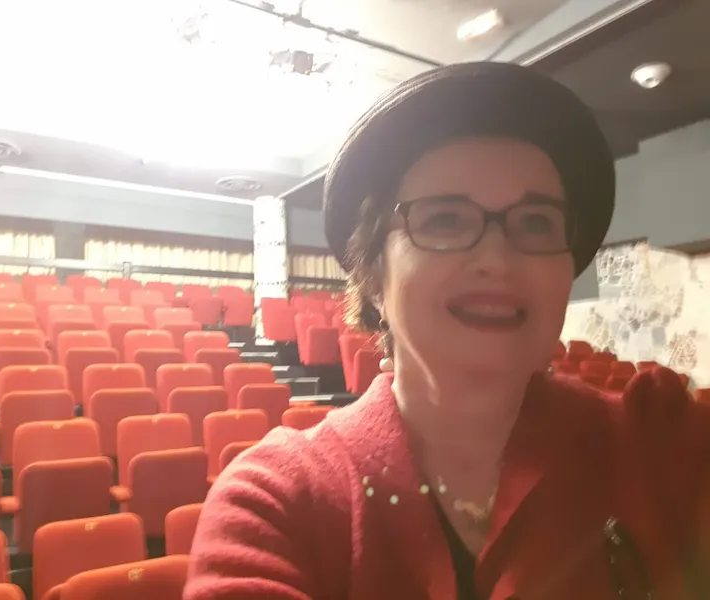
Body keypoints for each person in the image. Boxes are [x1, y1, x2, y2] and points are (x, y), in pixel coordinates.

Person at [185, 62, 710, 599]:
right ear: (372, 278)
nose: (497, 259)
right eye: (443, 219)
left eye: (535, 223)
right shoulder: (280, 502)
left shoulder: (660, 443)